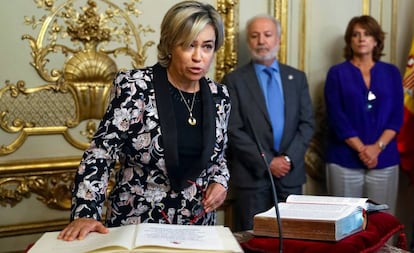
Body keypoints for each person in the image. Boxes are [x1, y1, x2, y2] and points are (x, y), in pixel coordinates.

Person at [58, 0, 231, 241]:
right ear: (171, 44)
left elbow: (218, 158)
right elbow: (101, 154)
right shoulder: (134, 87)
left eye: (207, 46)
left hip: (197, 228)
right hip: (137, 225)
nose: (198, 57)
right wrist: (86, 213)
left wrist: (220, 182)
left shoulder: (219, 96)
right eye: (189, 45)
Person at [221, 14, 315, 232]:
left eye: (267, 35)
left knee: (293, 238)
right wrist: (268, 161)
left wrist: (288, 158)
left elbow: (307, 123)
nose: (261, 41)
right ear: (248, 42)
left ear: (278, 40)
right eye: (254, 36)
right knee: (253, 238)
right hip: (252, 177)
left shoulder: (297, 78)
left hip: (290, 176)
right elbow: (233, 129)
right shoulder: (234, 80)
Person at [324, 15, 404, 215]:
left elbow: (396, 116)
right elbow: (337, 117)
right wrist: (363, 149)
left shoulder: (391, 72)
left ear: (376, 40)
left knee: (382, 226)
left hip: (384, 160)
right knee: (343, 226)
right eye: (356, 35)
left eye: (367, 34)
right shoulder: (337, 73)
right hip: (344, 162)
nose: (361, 39)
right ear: (349, 41)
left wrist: (377, 149)